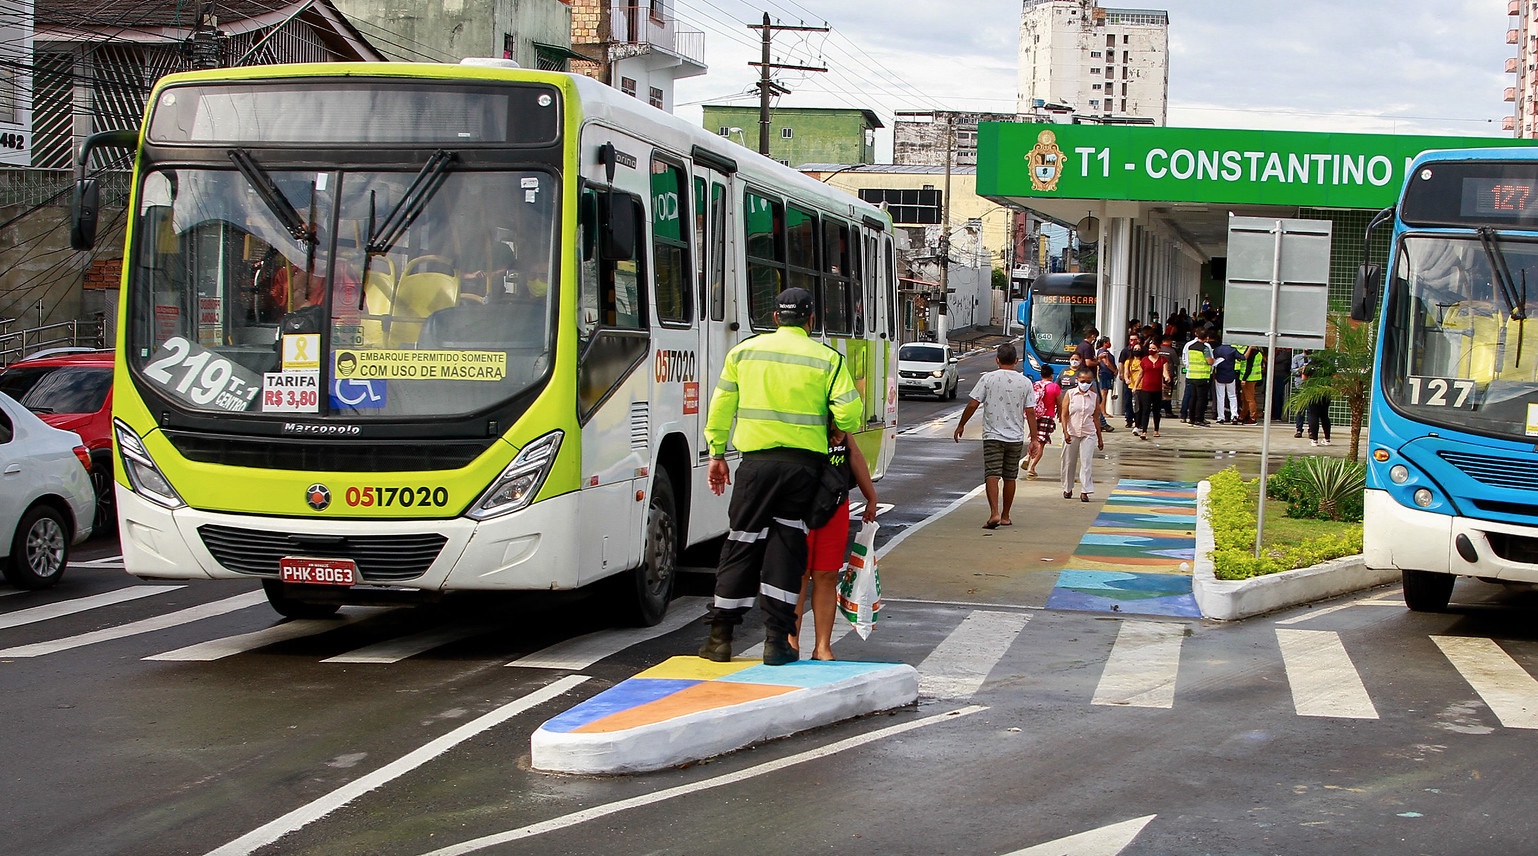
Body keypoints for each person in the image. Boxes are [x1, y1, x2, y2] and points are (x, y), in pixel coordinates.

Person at [700, 287, 863, 666]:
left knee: (741, 544)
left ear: (775, 318)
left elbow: (721, 407)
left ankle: (720, 637)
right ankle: (777, 643)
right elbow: (851, 416)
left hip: (755, 466)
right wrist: (837, 427)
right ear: (810, 320)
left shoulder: (743, 353)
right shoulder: (828, 359)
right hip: (803, 469)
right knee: (787, 550)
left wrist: (716, 453)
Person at [795, 423, 878, 661]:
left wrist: (871, 496)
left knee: (826, 575)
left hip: (834, 502)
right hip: (798, 501)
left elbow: (854, 453)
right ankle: (791, 642)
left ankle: (822, 647)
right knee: (798, 574)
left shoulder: (840, 417)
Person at [954, 343, 1038, 529]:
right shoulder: (1025, 382)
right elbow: (1030, 412)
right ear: (1016, 361)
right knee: (1010, 477)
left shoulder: (988, 379)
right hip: (1015, 437)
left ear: (997, 359)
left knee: (992, 474)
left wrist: (961, 425)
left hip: (993, 435)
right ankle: (1006, 516)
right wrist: (1034, 438)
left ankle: (994, 513)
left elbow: (972, 405)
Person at [1060, 365, 1104, 502]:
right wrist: (1065, 431)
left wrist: (1100, 438)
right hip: (1071, 432)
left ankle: (1085, 490)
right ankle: (1067, 488)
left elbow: (1096, 417)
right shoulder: (1070, 394)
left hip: (1088, 432)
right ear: (1077, 380)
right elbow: (1064, 415)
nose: (1085, 383)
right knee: (1068, 461)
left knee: (1086, 463)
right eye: (1083, 380)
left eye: (1088, 381)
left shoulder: (1094, 396)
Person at [1025, 364, 1060, 480]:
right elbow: (1059, 403)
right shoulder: (1054, 387)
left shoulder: (1035, 385)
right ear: (1051, 375)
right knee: (1041, 444)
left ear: (1041, 375)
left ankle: (1027, 457)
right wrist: (1061, 414)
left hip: (1034, 416)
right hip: (1047, 417)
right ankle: (1032, 467)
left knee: (1033, 439)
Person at [1136, 341, 1172, 438]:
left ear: (1158, 350)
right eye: (1150, 348)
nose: (1151, 350)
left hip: (1157, 389)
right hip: (1146, 388)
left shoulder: (1162, 360)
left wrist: (1167, 377)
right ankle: (1144, 431)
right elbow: (1140, 374)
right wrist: (1135, 386)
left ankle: (1156, 430)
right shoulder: (1144, 360)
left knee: (1156, 410)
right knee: (1145, 410)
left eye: (1153, 348)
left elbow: (1165, 371)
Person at [1182, 327, 1214, 427]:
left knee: (1193, 397)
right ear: (1206, 337)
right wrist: (1213, 360)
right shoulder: (1205, 348)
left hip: (1192, 375)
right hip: (1202, 376)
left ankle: (1191, 418)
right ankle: (1199, 419)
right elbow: (1209, 361)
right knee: (1201, 399)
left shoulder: (1191, 346)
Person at [1210, 333, 1241, 424]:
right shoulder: (1232, 350)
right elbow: (1242, 357)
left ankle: (1221, 417)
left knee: (1220, 397)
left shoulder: (1217, 350)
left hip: (1219, 375)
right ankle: (1234, 415)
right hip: (1230, 375)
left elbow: (1213, 361)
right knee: (1232, 396)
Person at [1095, 336, 1117, 433]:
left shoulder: (1103, 351)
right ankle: (1103, 411)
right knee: (1103, 392)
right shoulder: (1103, 352)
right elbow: (1107, 363)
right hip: (1105, 373)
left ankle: (1103, 411)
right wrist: (1114, 370)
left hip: (1107, 374)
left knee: (1105, 392)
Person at [1239, 345, 1264, 424]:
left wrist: (1244, 379)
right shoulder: (1259, 353)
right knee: (1246, 399)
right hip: (1254, 378)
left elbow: (1249, 366)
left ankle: (1252, 417)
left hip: (1249, 379)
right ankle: (1243, 415)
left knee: (1249, 399)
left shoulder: (1251, 353)